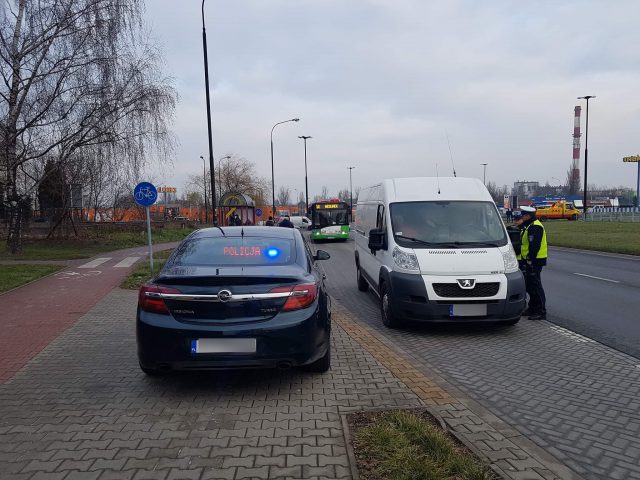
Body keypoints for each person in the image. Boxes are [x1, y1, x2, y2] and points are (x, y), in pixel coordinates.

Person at [519, 206, 547, 320]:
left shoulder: (535, 227)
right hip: (529, 260)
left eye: (523, 216)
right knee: (530, 286)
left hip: (535, 260)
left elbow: (534, 245)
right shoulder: (529, 225)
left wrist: (530, 259)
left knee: (536, 286)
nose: (522, 217)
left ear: (527, 216)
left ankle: (540, 311)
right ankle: (532, 308)